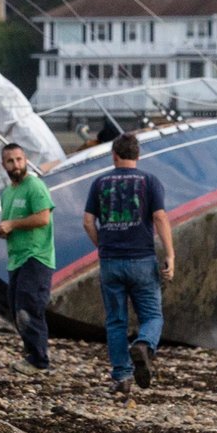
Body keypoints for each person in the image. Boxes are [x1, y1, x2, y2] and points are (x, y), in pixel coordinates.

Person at [82, 131, 174, 396]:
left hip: (111, 262)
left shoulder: (100, 183)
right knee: (152, 315)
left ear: (114, 155)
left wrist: (103, 246)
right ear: (138, 155)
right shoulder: (150, 181)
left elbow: (87, 221)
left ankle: (122, 377)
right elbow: (159, 217)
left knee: (116, 322)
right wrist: (170, 254)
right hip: (142, 259)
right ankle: (144, 344)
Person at [0, 141, 54, 370]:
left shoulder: (34, 186)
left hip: (36, 257)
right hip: (16, 257)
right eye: (10, 161)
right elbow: (15, 225)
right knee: (16, 310)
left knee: (29, 307)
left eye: (19, 159)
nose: (16, 165)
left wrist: (13, 223)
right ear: (3, 164)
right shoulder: (7, 193)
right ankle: (31, 354)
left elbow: (43, 217)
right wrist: (5, 230)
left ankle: (40, 360)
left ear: (25, 160)